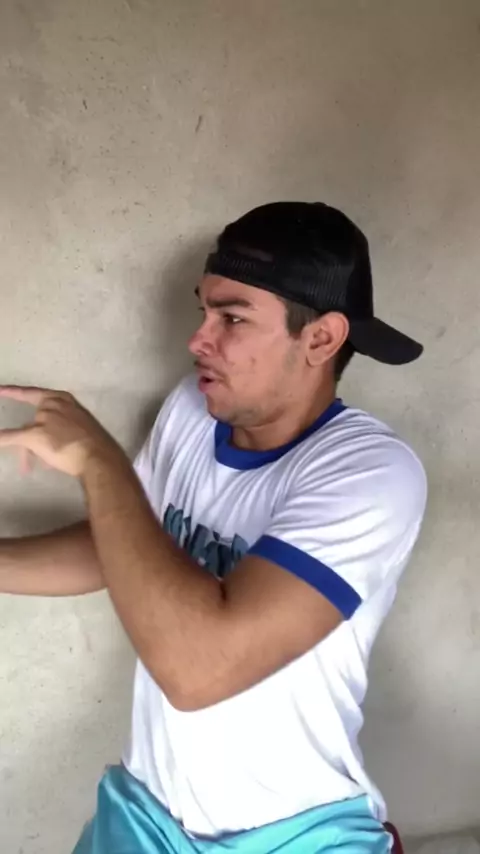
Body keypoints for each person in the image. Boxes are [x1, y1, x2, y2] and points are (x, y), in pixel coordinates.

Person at [0, 201, 427, 853]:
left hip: (297, 835)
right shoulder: (192, 410)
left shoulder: (371, 471)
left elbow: (198, 671)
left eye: (231, 318)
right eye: (203, 312)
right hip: (146, 813)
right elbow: (122, 545)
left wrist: (96, 460)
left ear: (320, 339)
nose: (198, 340)